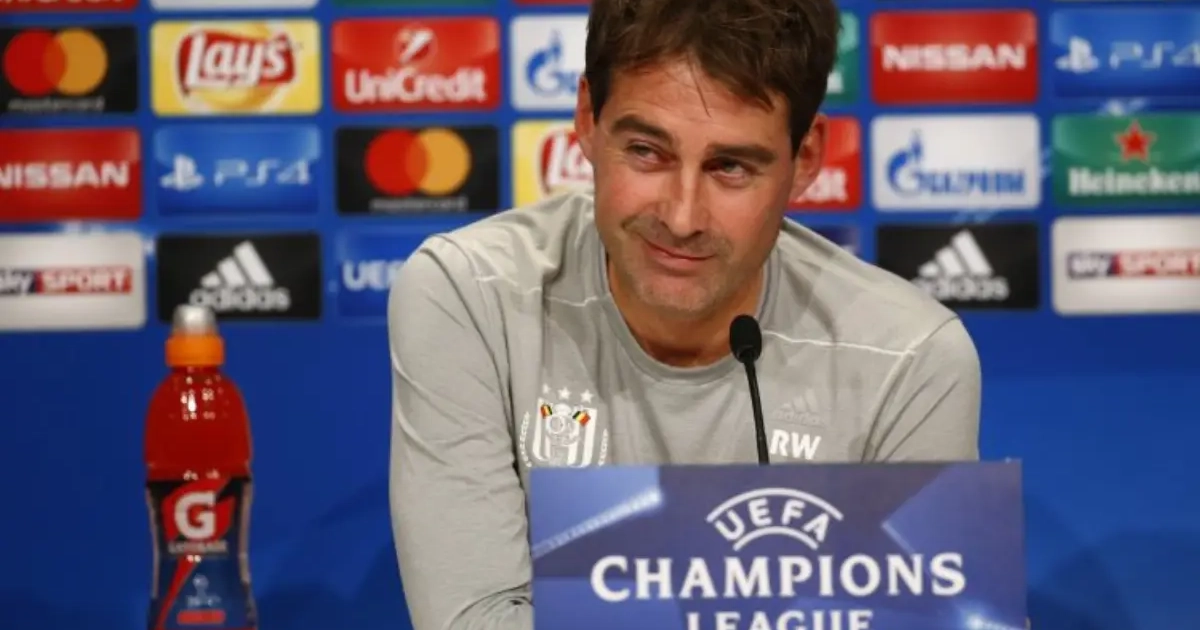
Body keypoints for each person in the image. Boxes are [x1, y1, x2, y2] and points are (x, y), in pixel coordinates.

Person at [385, 0, 982, 627]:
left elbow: (928, 621)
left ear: (805, 158)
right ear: (587, 119)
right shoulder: (472, 295)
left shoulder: (909, 357)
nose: (681, 216)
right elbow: (476, 619)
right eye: (647, 151)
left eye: (731, 167)